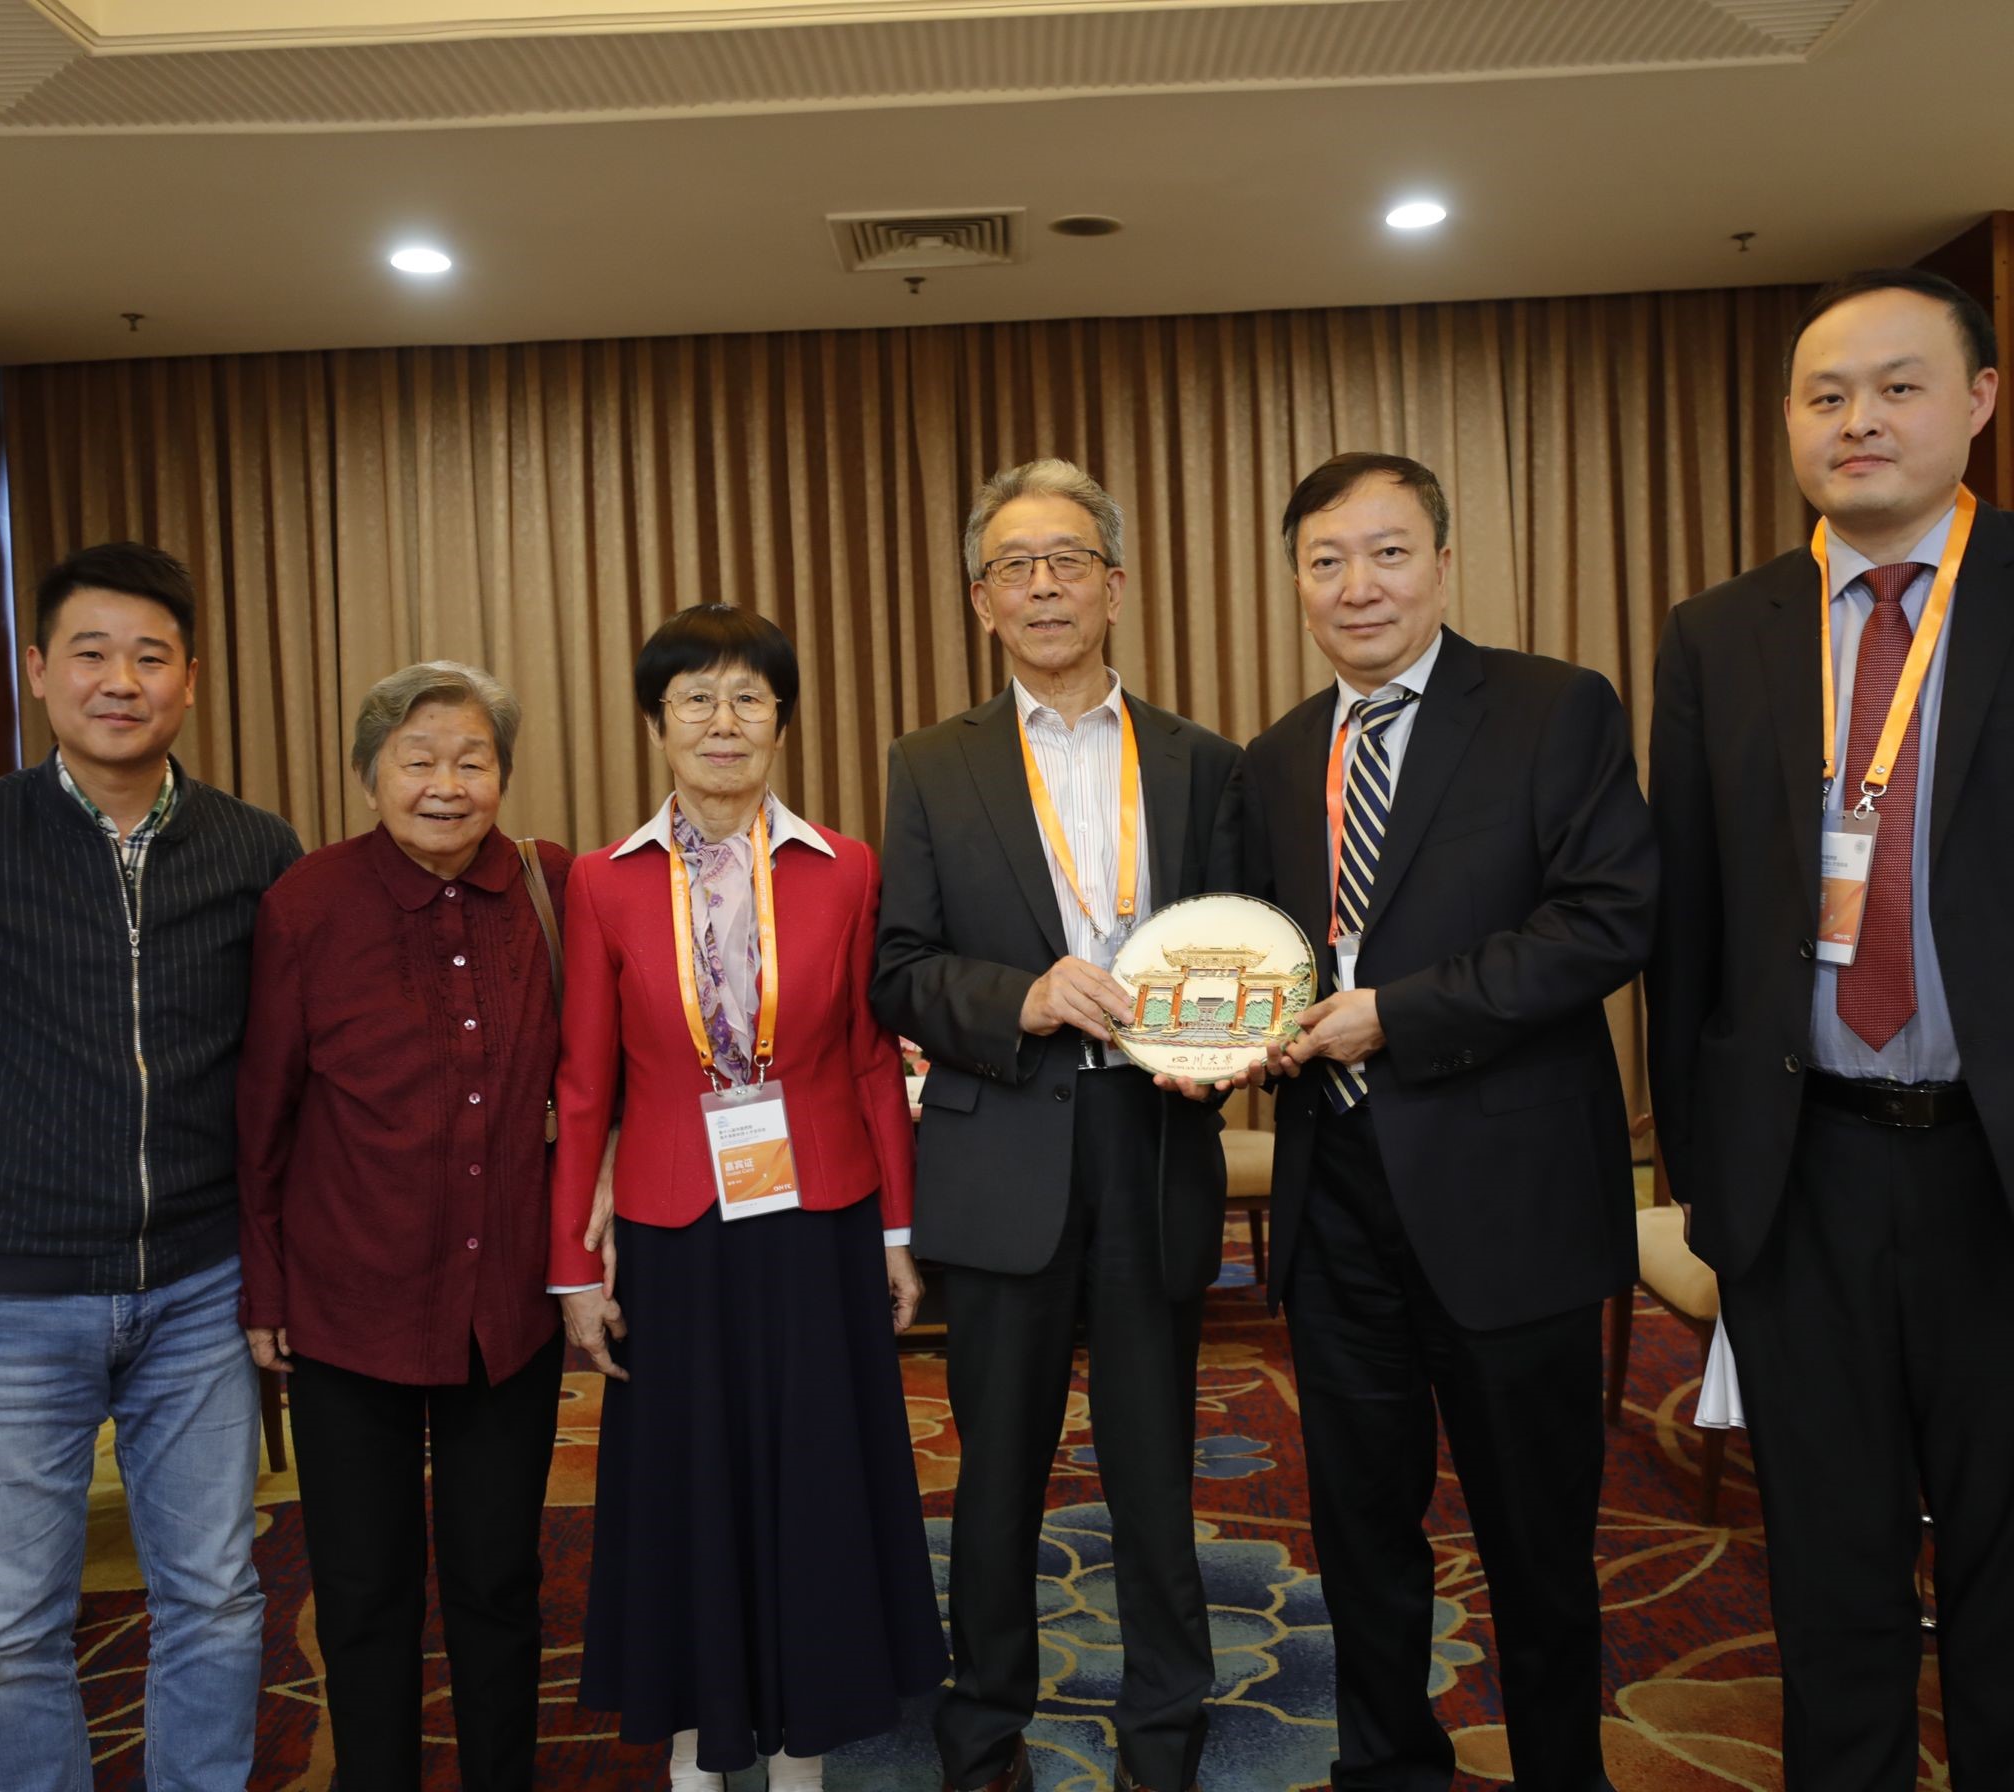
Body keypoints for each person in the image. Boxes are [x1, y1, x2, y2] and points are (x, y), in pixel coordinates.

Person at [1645, 269, 2014, 1787]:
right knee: (1826, 1572)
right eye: (1825, 395)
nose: (1859, 420)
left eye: (1898, 386)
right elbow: (1689, 926)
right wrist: (1704, 1169)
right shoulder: (1720, 633)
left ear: (1978, 401)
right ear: (1790, 422)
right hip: (1802, 1175)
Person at [0, 542, 303, 1792]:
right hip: (2, 1299)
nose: (120, 681)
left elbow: (280, 1048)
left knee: (214, 1591)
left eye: (150, 656)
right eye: (91, 653)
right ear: (40, 670)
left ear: (190, 679)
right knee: (7, 1627)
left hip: (196, 1284)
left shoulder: (255, 849)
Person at [1233, 452, 1653, 1792]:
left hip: (1506, 1196)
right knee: (1360, 1529)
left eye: (1388, 552)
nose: (1358, 585)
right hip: (1335, 1199)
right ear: (1297, 583)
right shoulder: (1277, 758)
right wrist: (1230, 1034)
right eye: (1326, 561)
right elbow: (1268, 957)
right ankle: (1387, 1768)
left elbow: (1605, 921)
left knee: (1536, 1538)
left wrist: (1395, 1016)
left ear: (1442, 562)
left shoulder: (1551, 708)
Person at [871, 459, 1242, 1792]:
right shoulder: (932, 764)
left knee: (1154, 1471)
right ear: (982, 601)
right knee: (996, 1478)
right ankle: (983, 1737)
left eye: (1068, 560)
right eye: (1014, 566)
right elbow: (899, 967)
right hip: (1002, 1147)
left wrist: (1215, 1055)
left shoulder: (1204, 762)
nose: (1043, 586)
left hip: (1153, 1142)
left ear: (1115, 586)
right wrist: (1018, 998)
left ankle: (1166, 1737)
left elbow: (1242, 951)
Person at [551, 604, 944, 1791]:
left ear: (782, 718)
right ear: (656, 722)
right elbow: (585, 1082)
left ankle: (805, 1751)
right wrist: (572, 1267)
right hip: (672, 1224)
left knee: (816, 1477)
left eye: (748, 699)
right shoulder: (602, 882)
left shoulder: (845, 867)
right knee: (688, 1487)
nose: (722, 722)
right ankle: (693, 1747)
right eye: (695, 700)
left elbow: (871, 1060)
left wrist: (898, 1229)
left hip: (820, 1215)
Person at [236, 661, 568, 1792]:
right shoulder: (308, 904)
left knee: (498, 1580)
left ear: (502, 776)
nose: (445, 784)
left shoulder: (550, 887)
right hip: (349, 1303)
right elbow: (264, 1111)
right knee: (362, 1589)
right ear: (369, 773)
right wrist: (265, 1286)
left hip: (506, 1309)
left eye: (473, 761)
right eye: (417, 760)